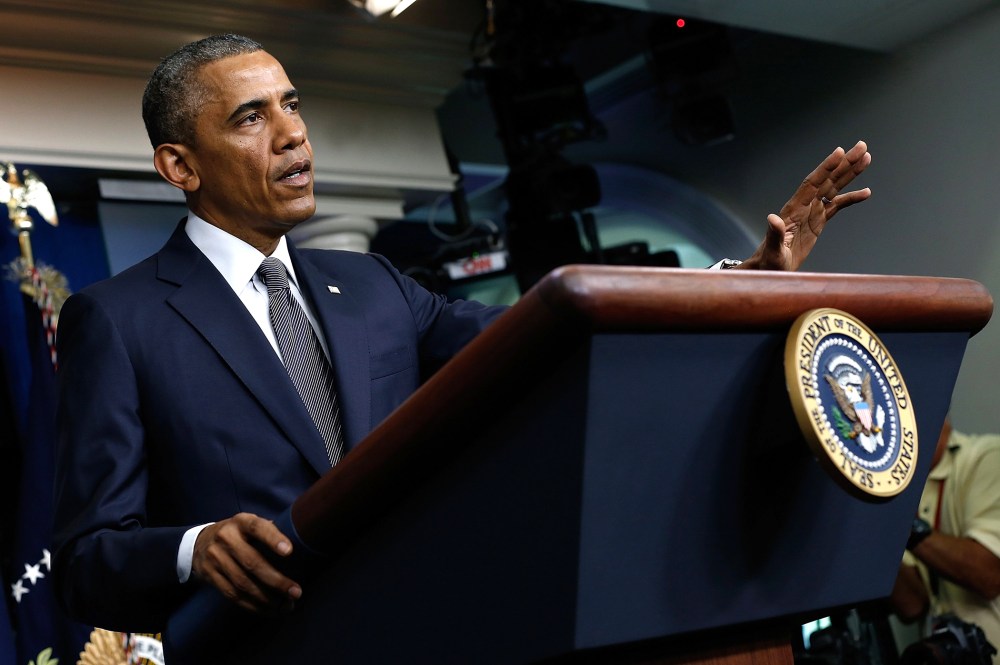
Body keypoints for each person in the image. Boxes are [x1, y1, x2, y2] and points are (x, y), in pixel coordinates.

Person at [51, 33, 874, 633]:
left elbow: (551, 330)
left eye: (293, 106)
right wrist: (194, 549)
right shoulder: (119, 321)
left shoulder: (372, 285)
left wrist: (734, 284)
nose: (294, 133)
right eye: (251, 118)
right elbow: (88, 560)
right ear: (179, 166)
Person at [891, 417, 1000, 660]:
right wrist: (872, 523)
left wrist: (899, 522)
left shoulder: (988, 456)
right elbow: (912, 606)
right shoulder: (903, 486)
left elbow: (989, 576)